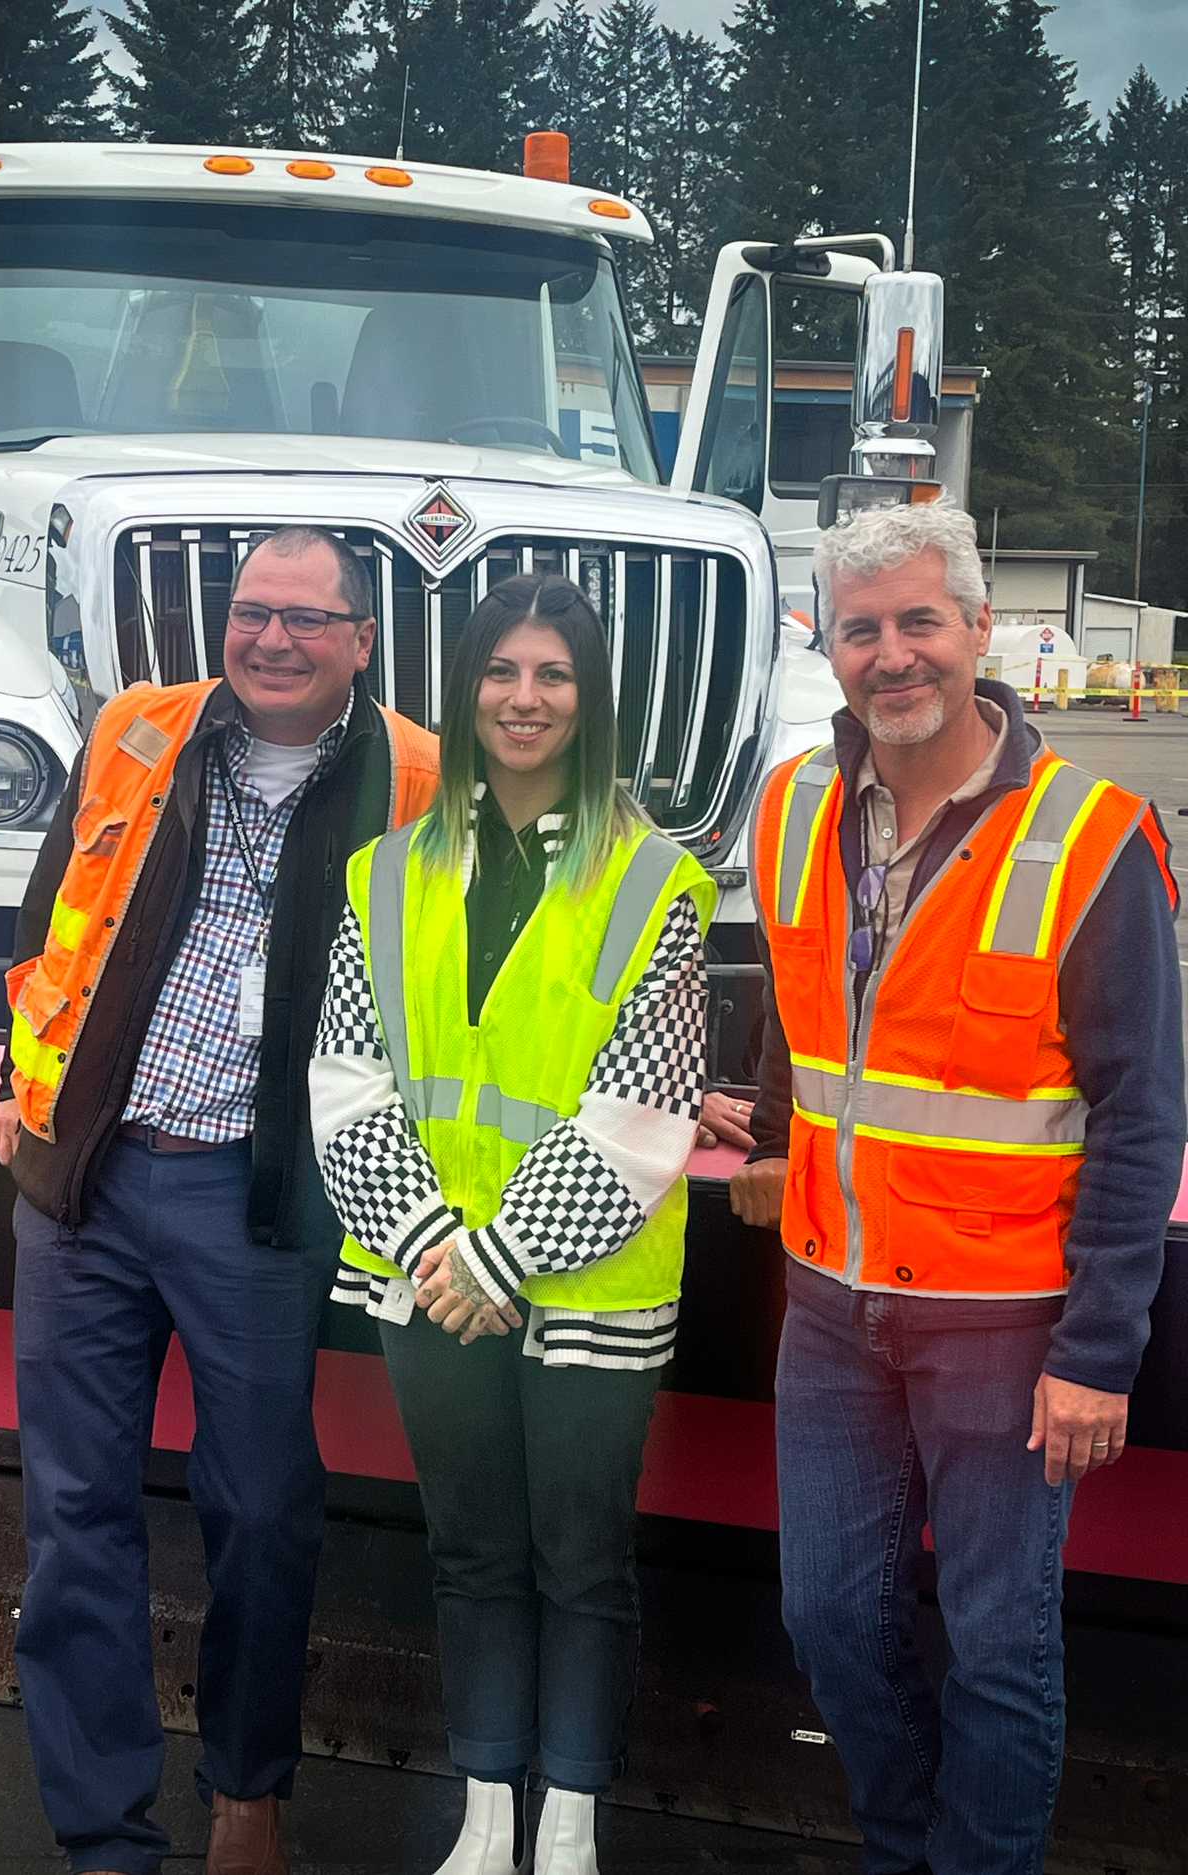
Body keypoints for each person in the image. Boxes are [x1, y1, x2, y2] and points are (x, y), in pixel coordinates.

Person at [729, 501, 1185, 1875]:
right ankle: (905, 1844)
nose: (892, 655)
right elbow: (799, 1007)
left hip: (1007, 1319)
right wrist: (762, 1128)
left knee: (998, 1642)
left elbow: (1141, 1112)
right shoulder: (794, 801)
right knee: (827, 1617)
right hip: (829, 1306)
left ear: (981, 633)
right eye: (861, 629)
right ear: (830, 644)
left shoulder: (1090, 838)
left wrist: (1098, 1348)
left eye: (921, 621)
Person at [0, 525, 440, 1875]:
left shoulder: (419, 776)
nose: (274, 639)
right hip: (88, 1177)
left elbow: (527, 941)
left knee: (260, 1505)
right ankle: (103, 1833)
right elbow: (46, 926)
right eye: (254, 612)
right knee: (72, 1512)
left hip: (257, 1200)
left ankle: (248, 1788)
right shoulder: (140, 731)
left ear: (361, 641)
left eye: (309, 618)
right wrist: (16, 1088)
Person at [309, 574, 716, 1875]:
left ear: (592, 701)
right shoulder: (384, 875)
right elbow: (345, 1083)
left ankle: (572, 1827)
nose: (524, 697)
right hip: (432, 1280)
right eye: (500, 671)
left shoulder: (659, 882)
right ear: (467, 688)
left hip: (587, 1288)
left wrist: (492, 1255)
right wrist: (442, 1246)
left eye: (553, 673)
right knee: (472, 1550)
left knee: (581, 1559)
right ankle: (489, 1816)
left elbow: (642, 1116)